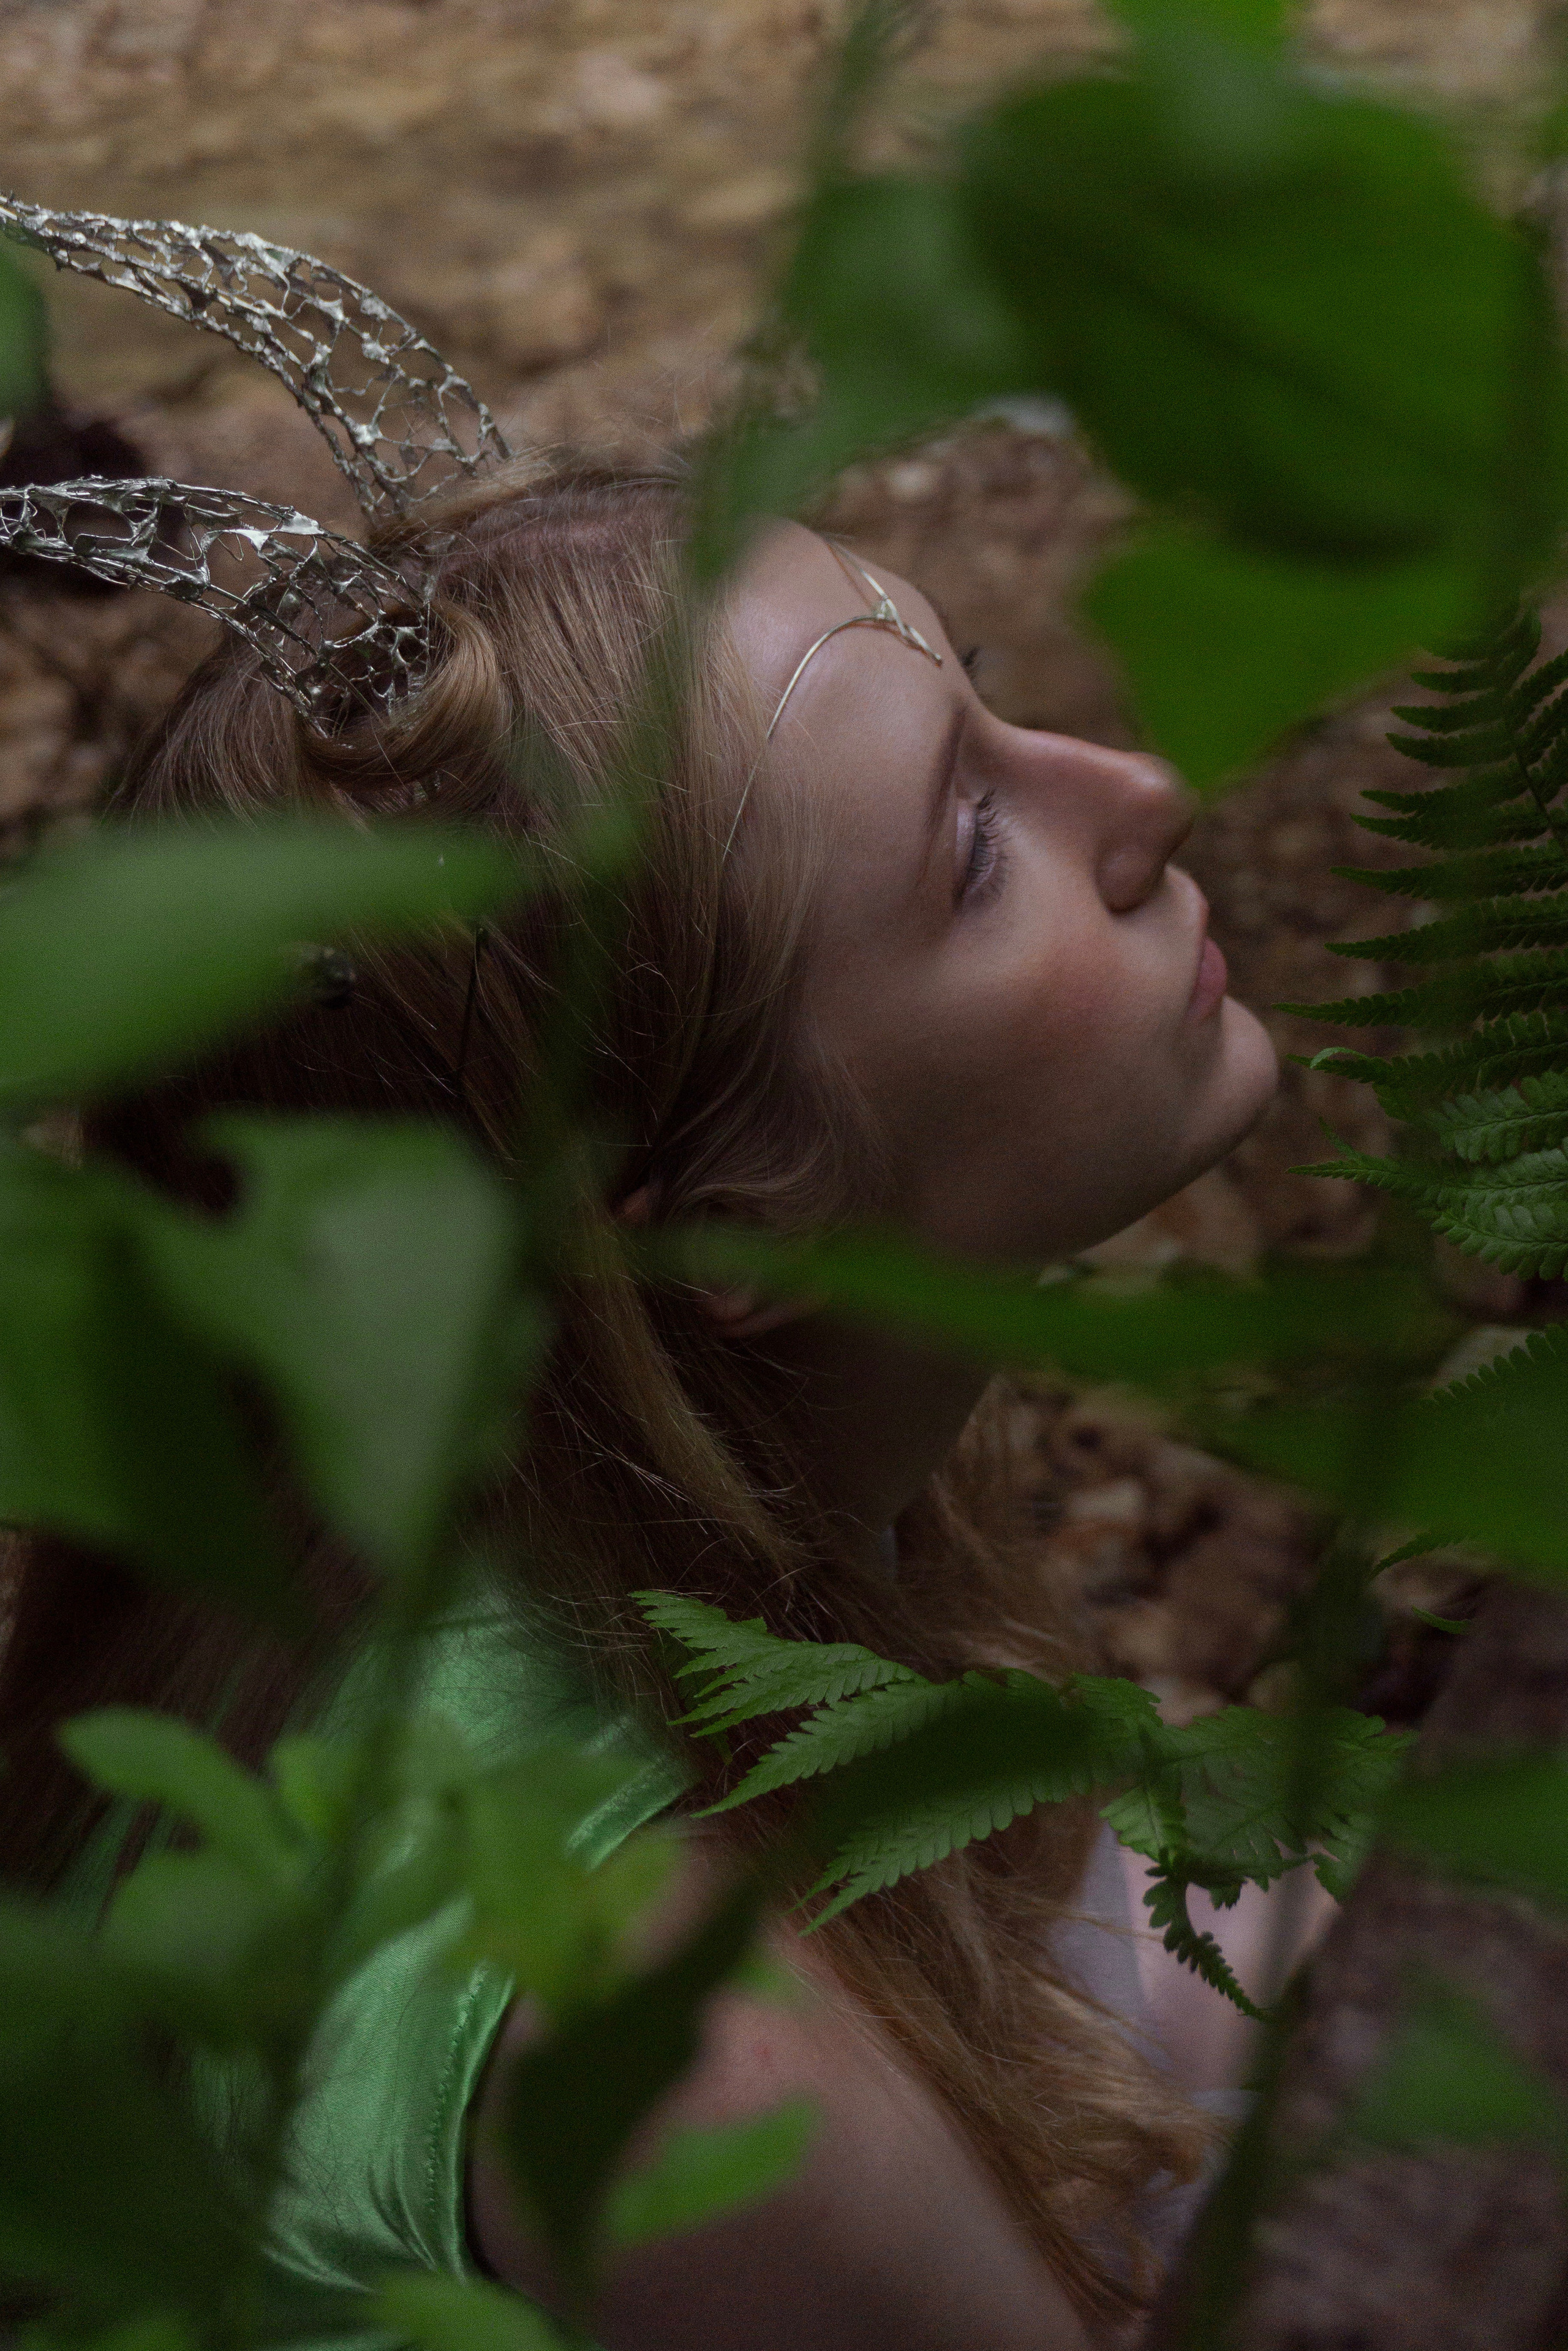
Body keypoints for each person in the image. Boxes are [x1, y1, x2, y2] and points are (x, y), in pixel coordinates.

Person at [0, 205, 1280, 2351]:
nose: (1139, 790)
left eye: (988, 702)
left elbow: (1105, 1877)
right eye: (972, 848)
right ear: (723, 1220)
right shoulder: (688, 2064)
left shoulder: (597, 1509)